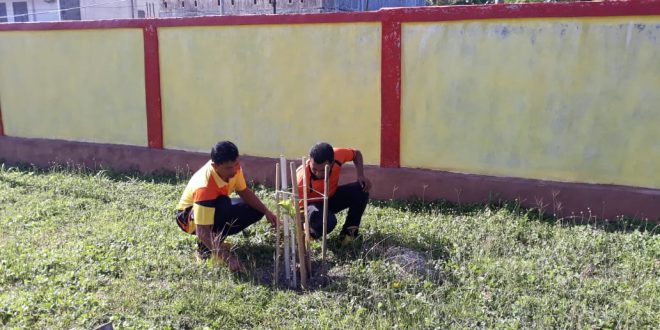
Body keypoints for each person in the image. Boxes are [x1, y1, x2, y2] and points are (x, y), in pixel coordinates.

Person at [175, 141, 278, 272]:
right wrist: (228, 258)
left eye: (236, 164)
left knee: (255, 209)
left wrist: (267, 211)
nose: (235, 170)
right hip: (188, 218)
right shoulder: (204, 186)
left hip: (214, 206)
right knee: (223, 203)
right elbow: (202, 231)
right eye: (229, 168)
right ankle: (204, 250)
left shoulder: (234, 168)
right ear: (215, 166)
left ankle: (217, 241)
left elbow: (244, 191)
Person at [296, 142, 372, 245]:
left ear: (332, 162)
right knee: (328, 221)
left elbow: (356, 154)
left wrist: (361, 175)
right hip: (311, 207)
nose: (318, 174)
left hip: (331, 197)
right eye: (314, 169)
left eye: (323, 170)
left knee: (361, 190)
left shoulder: (338, 155)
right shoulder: (301, 178)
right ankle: (311, 235)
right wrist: (305, 226)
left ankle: (348, 235)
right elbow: (299, 209)